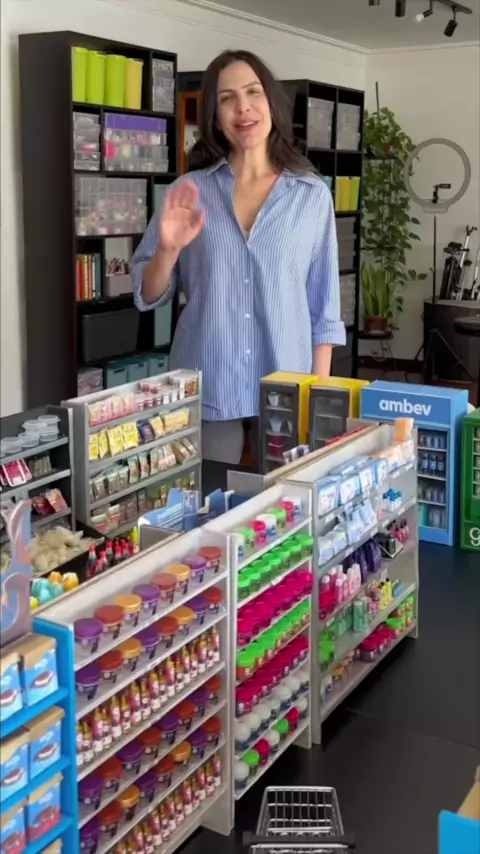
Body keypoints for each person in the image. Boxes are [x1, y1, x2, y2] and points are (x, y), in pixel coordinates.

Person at [131, 50, 346, 464]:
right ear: (215, 116)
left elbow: (324, 310)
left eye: (253, 93)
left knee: (284, 497)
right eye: (227, 98)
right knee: (202, 497)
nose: (243, 108)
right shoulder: (189, 191)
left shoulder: (311, 195)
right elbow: (147, 293)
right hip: (208, 382)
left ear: (272, 104)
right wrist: (168, 251)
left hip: (288, 384)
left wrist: (317, 398)